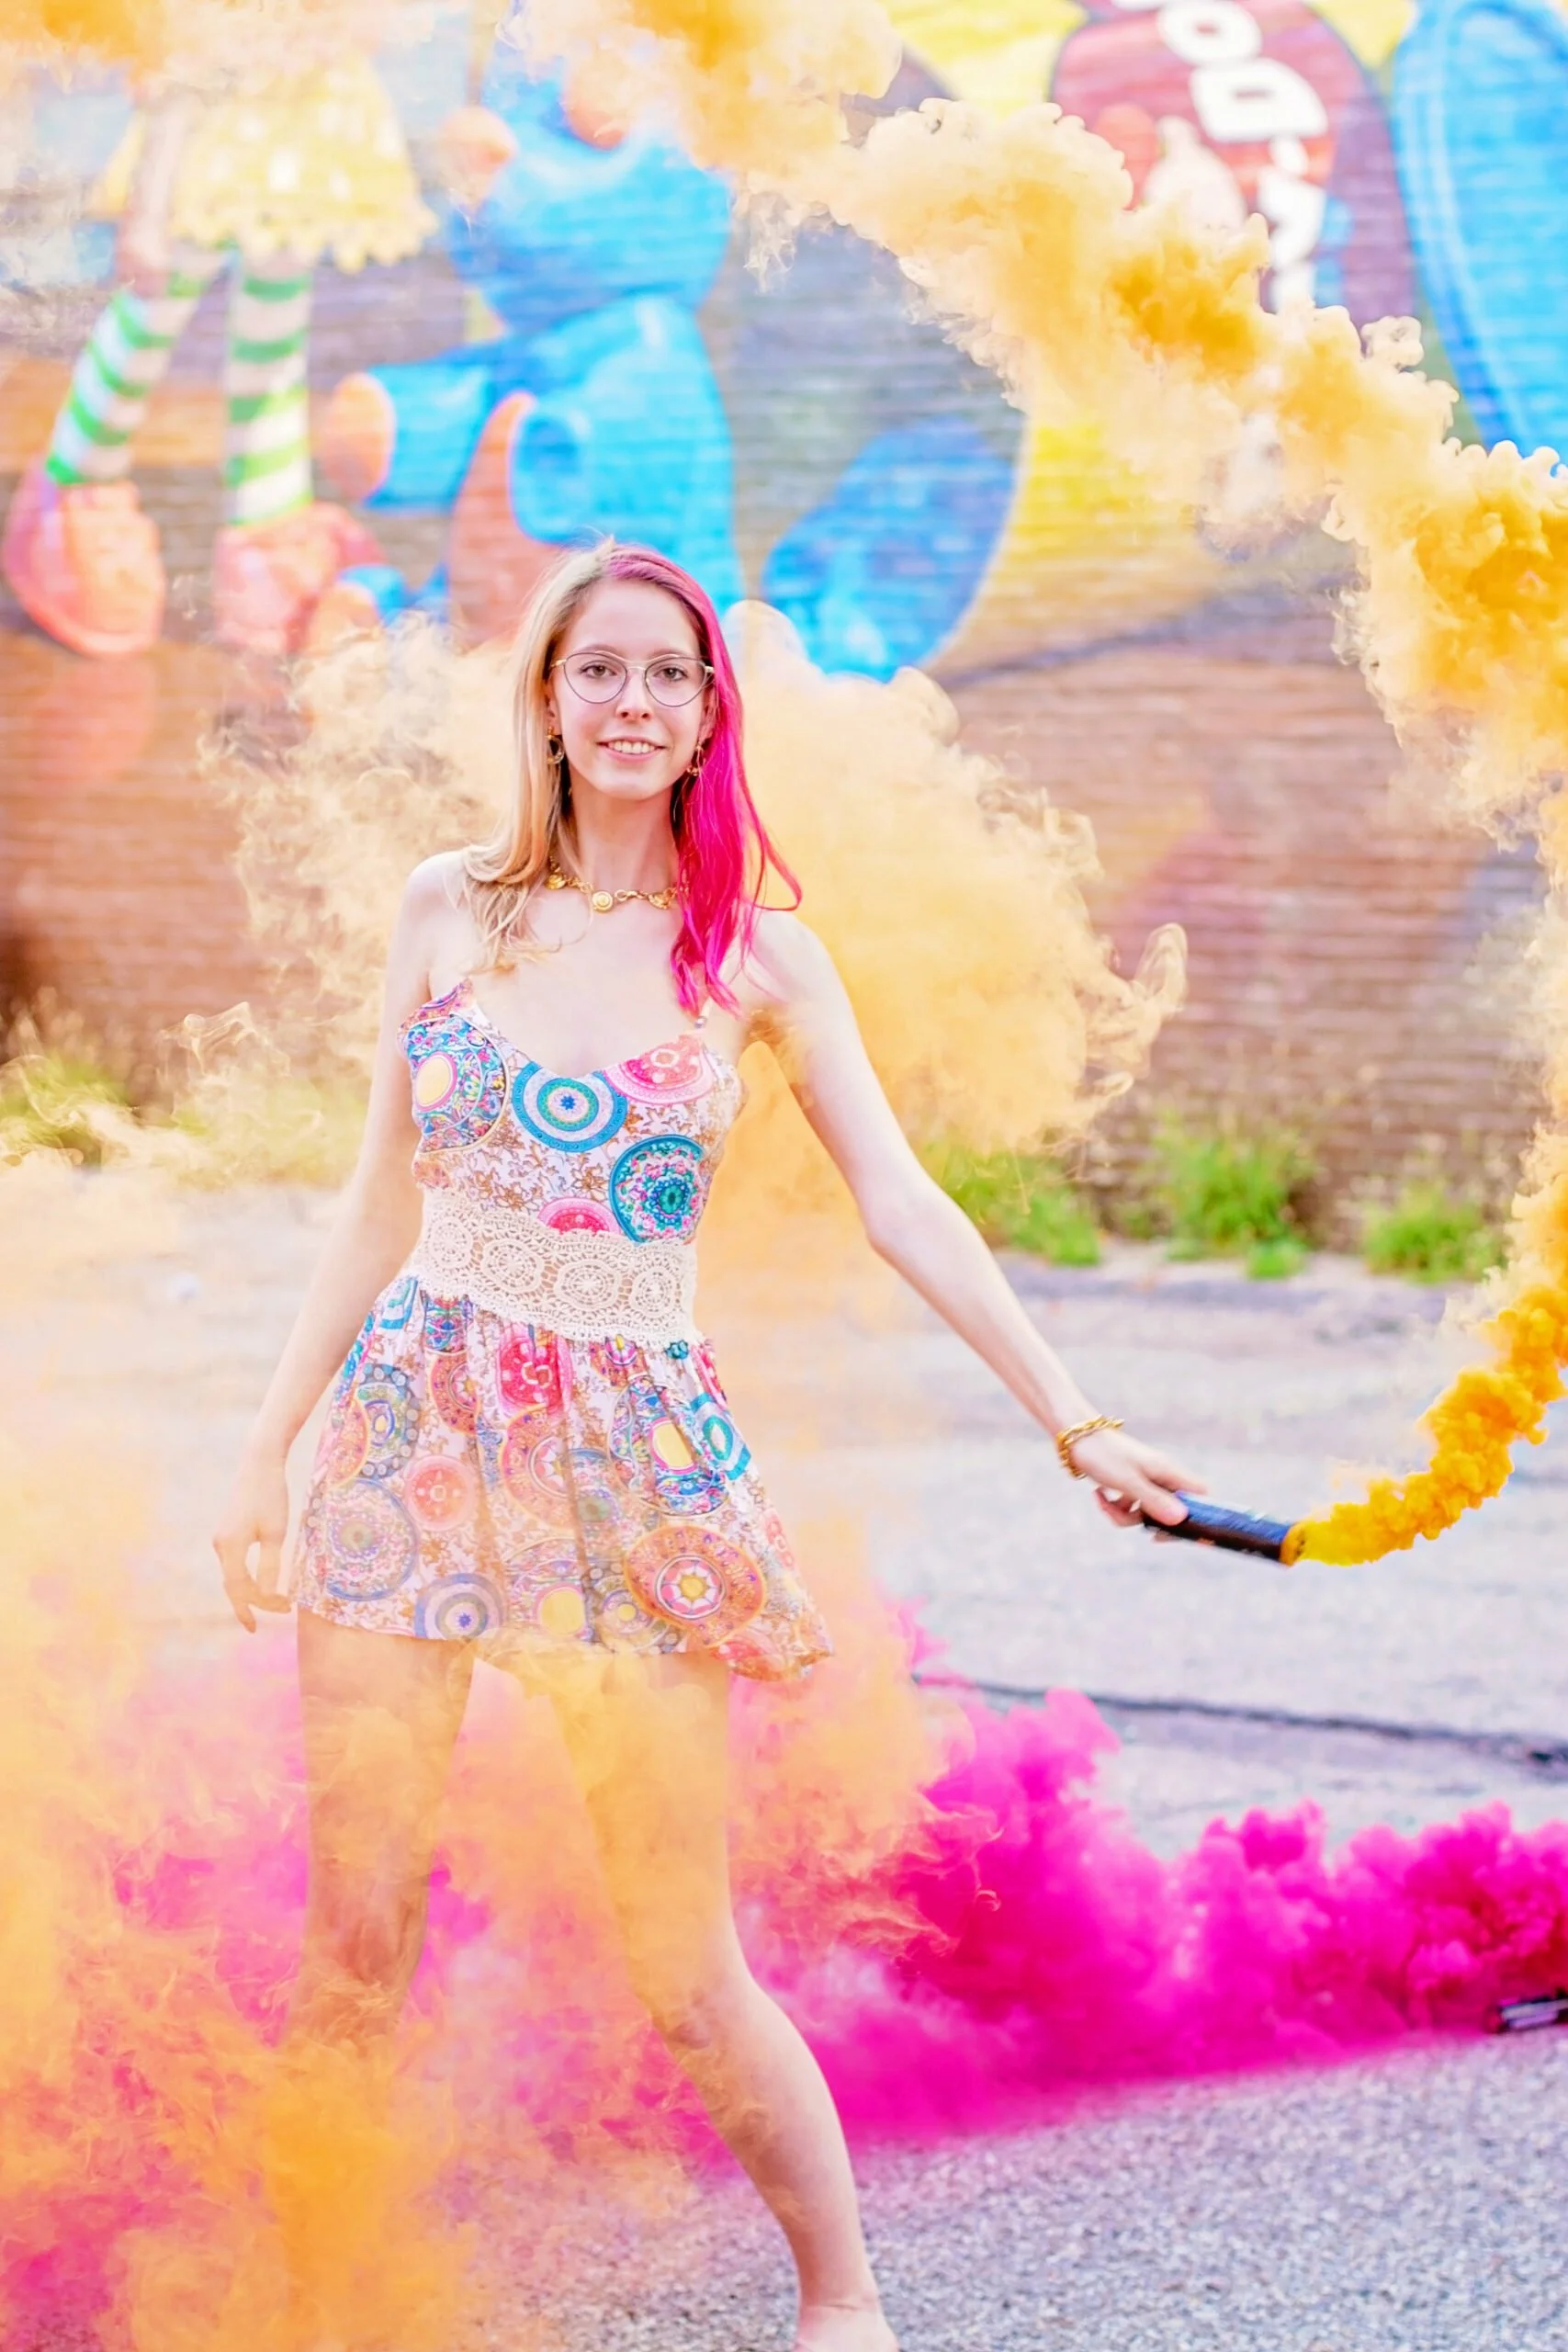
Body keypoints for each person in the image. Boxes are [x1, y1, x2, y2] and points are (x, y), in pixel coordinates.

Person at [213, 539, 1199, 2352]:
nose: (635, 702)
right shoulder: (447, 908)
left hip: (632, 1469)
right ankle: (301, 2299)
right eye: (601, 669)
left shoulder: (753, 955)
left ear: (706, 714)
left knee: (682, 1962)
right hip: (410, 1430)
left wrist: (1077, 1414)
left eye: (671, 675)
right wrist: (267, 1442)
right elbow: (372, 1200)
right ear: (548, 698)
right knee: (356, 1937)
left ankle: (843, 2302)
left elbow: (903, 1202)